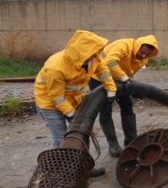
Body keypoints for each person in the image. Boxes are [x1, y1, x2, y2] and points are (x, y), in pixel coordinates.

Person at [34, 30, 118, 177]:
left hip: (73, 99)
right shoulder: (56, 66)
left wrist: (111, 89)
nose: (94, 57)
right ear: (81, 52)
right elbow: (56, 96)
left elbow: (103, 71)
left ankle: (85, 167)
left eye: (95, 53)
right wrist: (71, 114)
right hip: (49, 103)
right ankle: (62, 174)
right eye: (91, 54)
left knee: (83, 132)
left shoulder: (93, 58)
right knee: (62, 138)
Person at [88, 35, 158, 157]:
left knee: (127, 105)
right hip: (99, 77)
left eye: (147, 54)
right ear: (138, 46)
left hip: (120, 79)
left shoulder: (143, 60)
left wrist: (132, 88)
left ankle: (131, 139)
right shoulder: (123, 45)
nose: (143, 56)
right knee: (105, 108)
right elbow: (110, 62)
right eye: (142, 52)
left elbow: (130, 73)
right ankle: (113, 144)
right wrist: (125, 79)